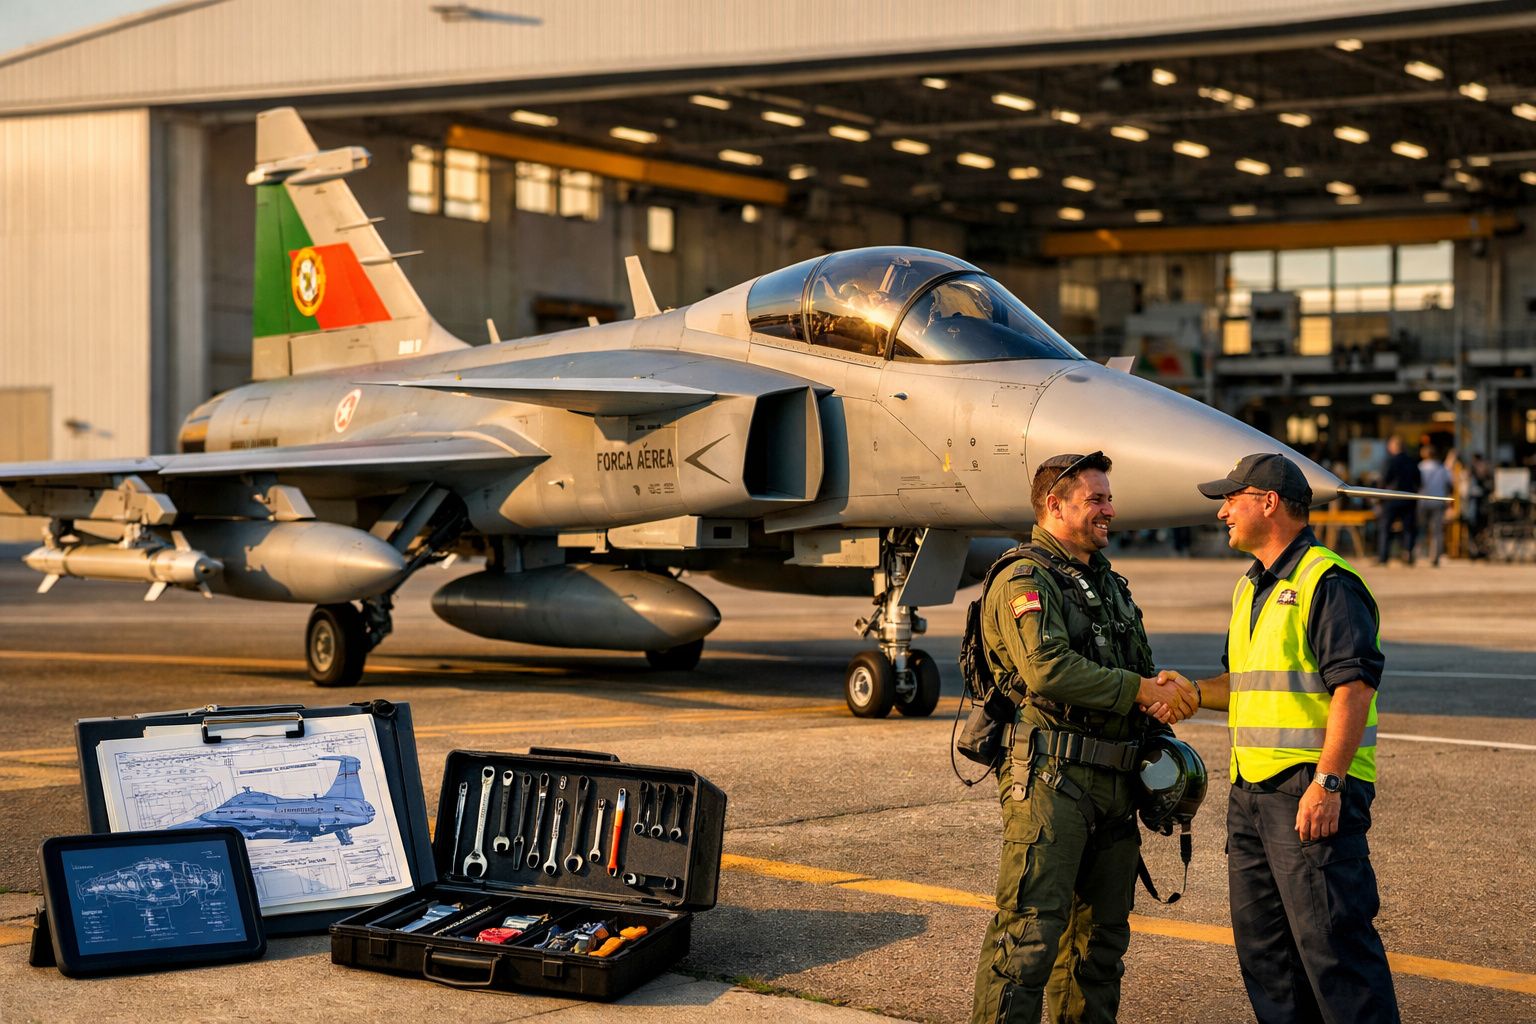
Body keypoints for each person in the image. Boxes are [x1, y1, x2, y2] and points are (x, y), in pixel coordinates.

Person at [1172, 453, 1400, 1024]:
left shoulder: (1327, 581)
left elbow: (1353, 688)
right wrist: (1192, 693)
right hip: (1251, 792)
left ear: (1268, 502)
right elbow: (1246, 682)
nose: (1222, 510)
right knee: (1266, 955)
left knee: (1334, 953)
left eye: (1232, 498)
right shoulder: (1250, 587)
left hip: (1307, 791)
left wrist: (1327, 782)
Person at [971, 451, 1198, 1024]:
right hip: (1052, 781)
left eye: (1108, 498)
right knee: (1027, 939)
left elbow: (1134, 670)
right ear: (1055, 505)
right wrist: (1141, 691)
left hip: (1114, 786)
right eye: (1096, 499)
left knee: (1099, 949)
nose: (1109, 509)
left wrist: (1162, 693)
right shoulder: (1024, 578)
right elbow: (1047, 669)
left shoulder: (1106, 582)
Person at [1376, 436, 1420, 565]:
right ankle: (1408, 554)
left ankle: (1383, 557)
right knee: (1408, 528)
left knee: (1385, 527)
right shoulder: (1412, 461)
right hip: (1408, 498)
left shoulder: (1389, 461)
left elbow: (1384, 479)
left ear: (1393, 447)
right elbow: (1418, 480)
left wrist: (1379, 496)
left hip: (1391, 499)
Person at [1417, 445, 1452, 566]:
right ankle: (1435, 557)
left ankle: (1418, 554)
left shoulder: (1420, 467)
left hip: (1422, 501)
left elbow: (1417, 484)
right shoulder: (1442, 468)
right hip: (1438, 501)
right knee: (1436, 531)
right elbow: (1449, 484)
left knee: (1421, 529)